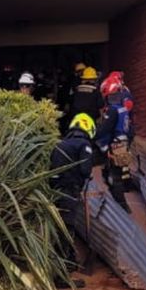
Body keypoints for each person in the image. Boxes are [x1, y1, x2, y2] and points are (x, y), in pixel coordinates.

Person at [49, 113, 98, 271]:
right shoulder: (84, 145)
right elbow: (85, 169)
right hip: (70, 191)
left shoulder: (60, 144)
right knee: (67, 228)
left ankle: (67, 264)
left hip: (55, 191)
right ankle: (63, 270)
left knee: (59, 227)